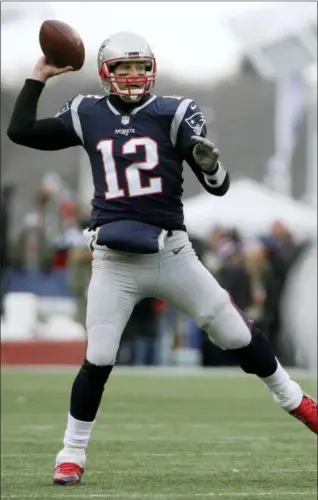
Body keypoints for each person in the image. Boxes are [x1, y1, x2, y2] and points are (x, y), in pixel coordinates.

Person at [7, 31, 317, 486]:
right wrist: (38, 75)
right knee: (99, 356)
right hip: (114, 259)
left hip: (172, 252)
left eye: (140, 67)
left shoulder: (175, 113)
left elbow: (218, 185)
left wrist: (209, 165)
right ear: (106, 74)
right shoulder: (86, 112)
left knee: (237, 335)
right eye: (123, 69)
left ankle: (298, 401)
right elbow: (20, 131)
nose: (133, 77)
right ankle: (70, 452)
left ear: (152, 69)